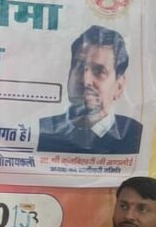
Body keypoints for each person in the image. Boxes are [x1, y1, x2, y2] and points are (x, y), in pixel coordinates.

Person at [37, 25, 143, 155]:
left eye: (99, 71)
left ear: (119, 87)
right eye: (79, 67)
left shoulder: (135, 135)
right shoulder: (41, 130)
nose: (85, 80)